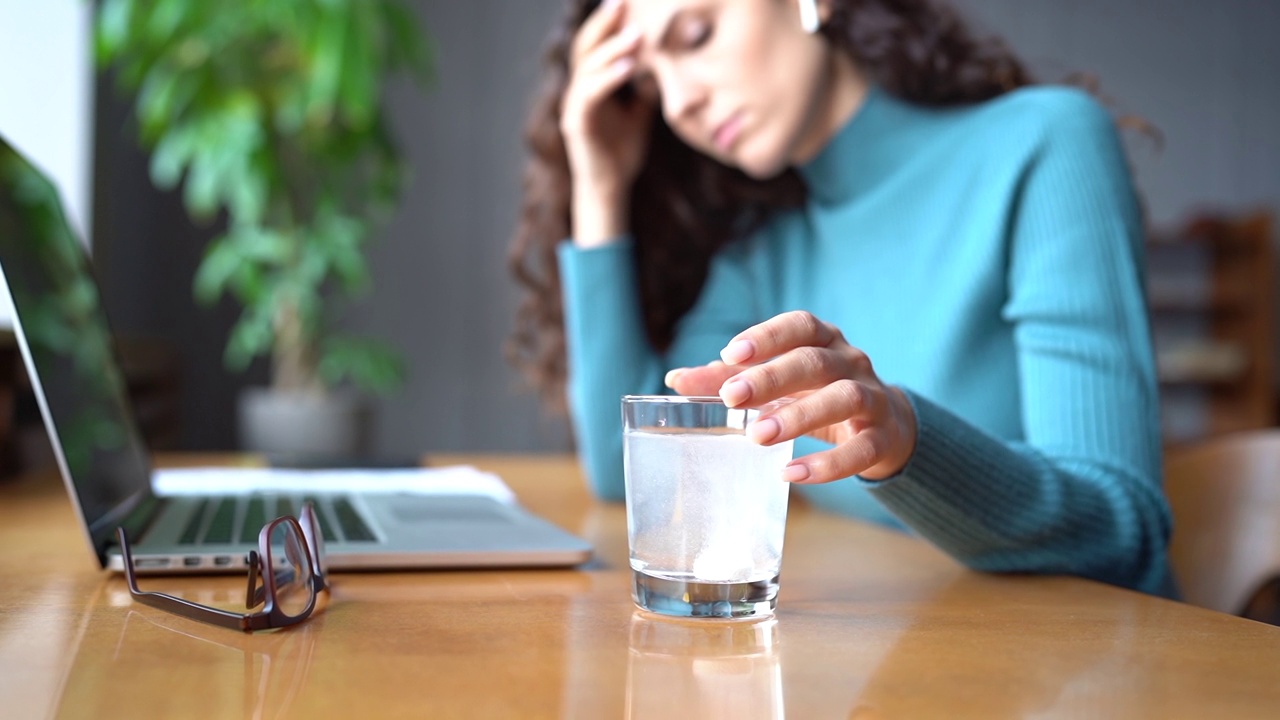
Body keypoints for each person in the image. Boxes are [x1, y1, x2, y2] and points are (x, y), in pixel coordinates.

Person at [509, 0, 1175, 598]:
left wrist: (905, 440)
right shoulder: (764, 249)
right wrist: (599, 184)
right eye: (650, 86)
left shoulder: (1045, 144)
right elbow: (637, 466)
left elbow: (1121, 530)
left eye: (695, 33)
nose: (678, 102)